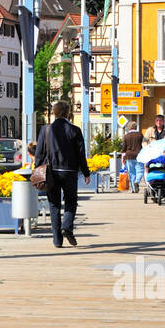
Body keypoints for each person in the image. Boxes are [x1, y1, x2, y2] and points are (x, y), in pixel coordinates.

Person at [35, 101, 93, 247]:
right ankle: (67, 227)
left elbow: (39, 153)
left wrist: (37, 170)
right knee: (71, 201)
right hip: (69, 171)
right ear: (68, 112)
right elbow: (81, 154)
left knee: (54, 204)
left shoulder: (46, 130)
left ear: (54, 112)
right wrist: (86, 172)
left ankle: (57, 240)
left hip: (51, 171)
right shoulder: (74, 130)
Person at [121, 122, 144, 192]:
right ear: (136, 127)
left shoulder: (126, 136)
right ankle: (137, 181)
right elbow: (143, 144)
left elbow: (124, 148)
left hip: (129, 156)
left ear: (129, 128)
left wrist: (123, 156)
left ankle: (133, 189)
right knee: (140, 170)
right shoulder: (140, 135)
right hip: (139, 155)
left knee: (131, 172)